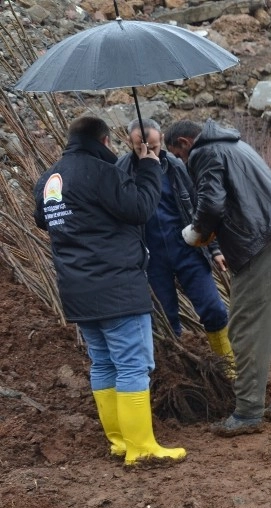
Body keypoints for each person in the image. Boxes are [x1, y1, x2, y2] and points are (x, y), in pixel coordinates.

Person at [33, 116, 186, 465]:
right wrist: (148, 167)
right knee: (133, 366)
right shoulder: (102, 173)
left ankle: (119, 441)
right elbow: (141, 209)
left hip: (76, 289)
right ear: (103, 142)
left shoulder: (50, 178)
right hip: (116, 287)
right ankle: (142, 447)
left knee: (103, 363)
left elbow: (41, 219)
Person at [164, 118, 271, 437]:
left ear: (185, 144)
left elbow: (212, 203)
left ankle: (247, 412)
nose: (183, 163)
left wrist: (196, 232)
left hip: (258, 242)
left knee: (246, 327)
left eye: (179, 156)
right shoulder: (237, 145)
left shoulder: (204, 153)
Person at [117, 119, 235, 371]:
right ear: (130, 143)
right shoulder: (122, 172)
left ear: (161, 139)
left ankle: (229, 368)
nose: (148, 152)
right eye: (140, 148)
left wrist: (214, 249)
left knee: (214, 308)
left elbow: (199, 207)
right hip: (151, 258)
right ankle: (179, 371)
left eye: (154, 147)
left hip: (187, 249)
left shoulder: (177, 166)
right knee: (166, 320)